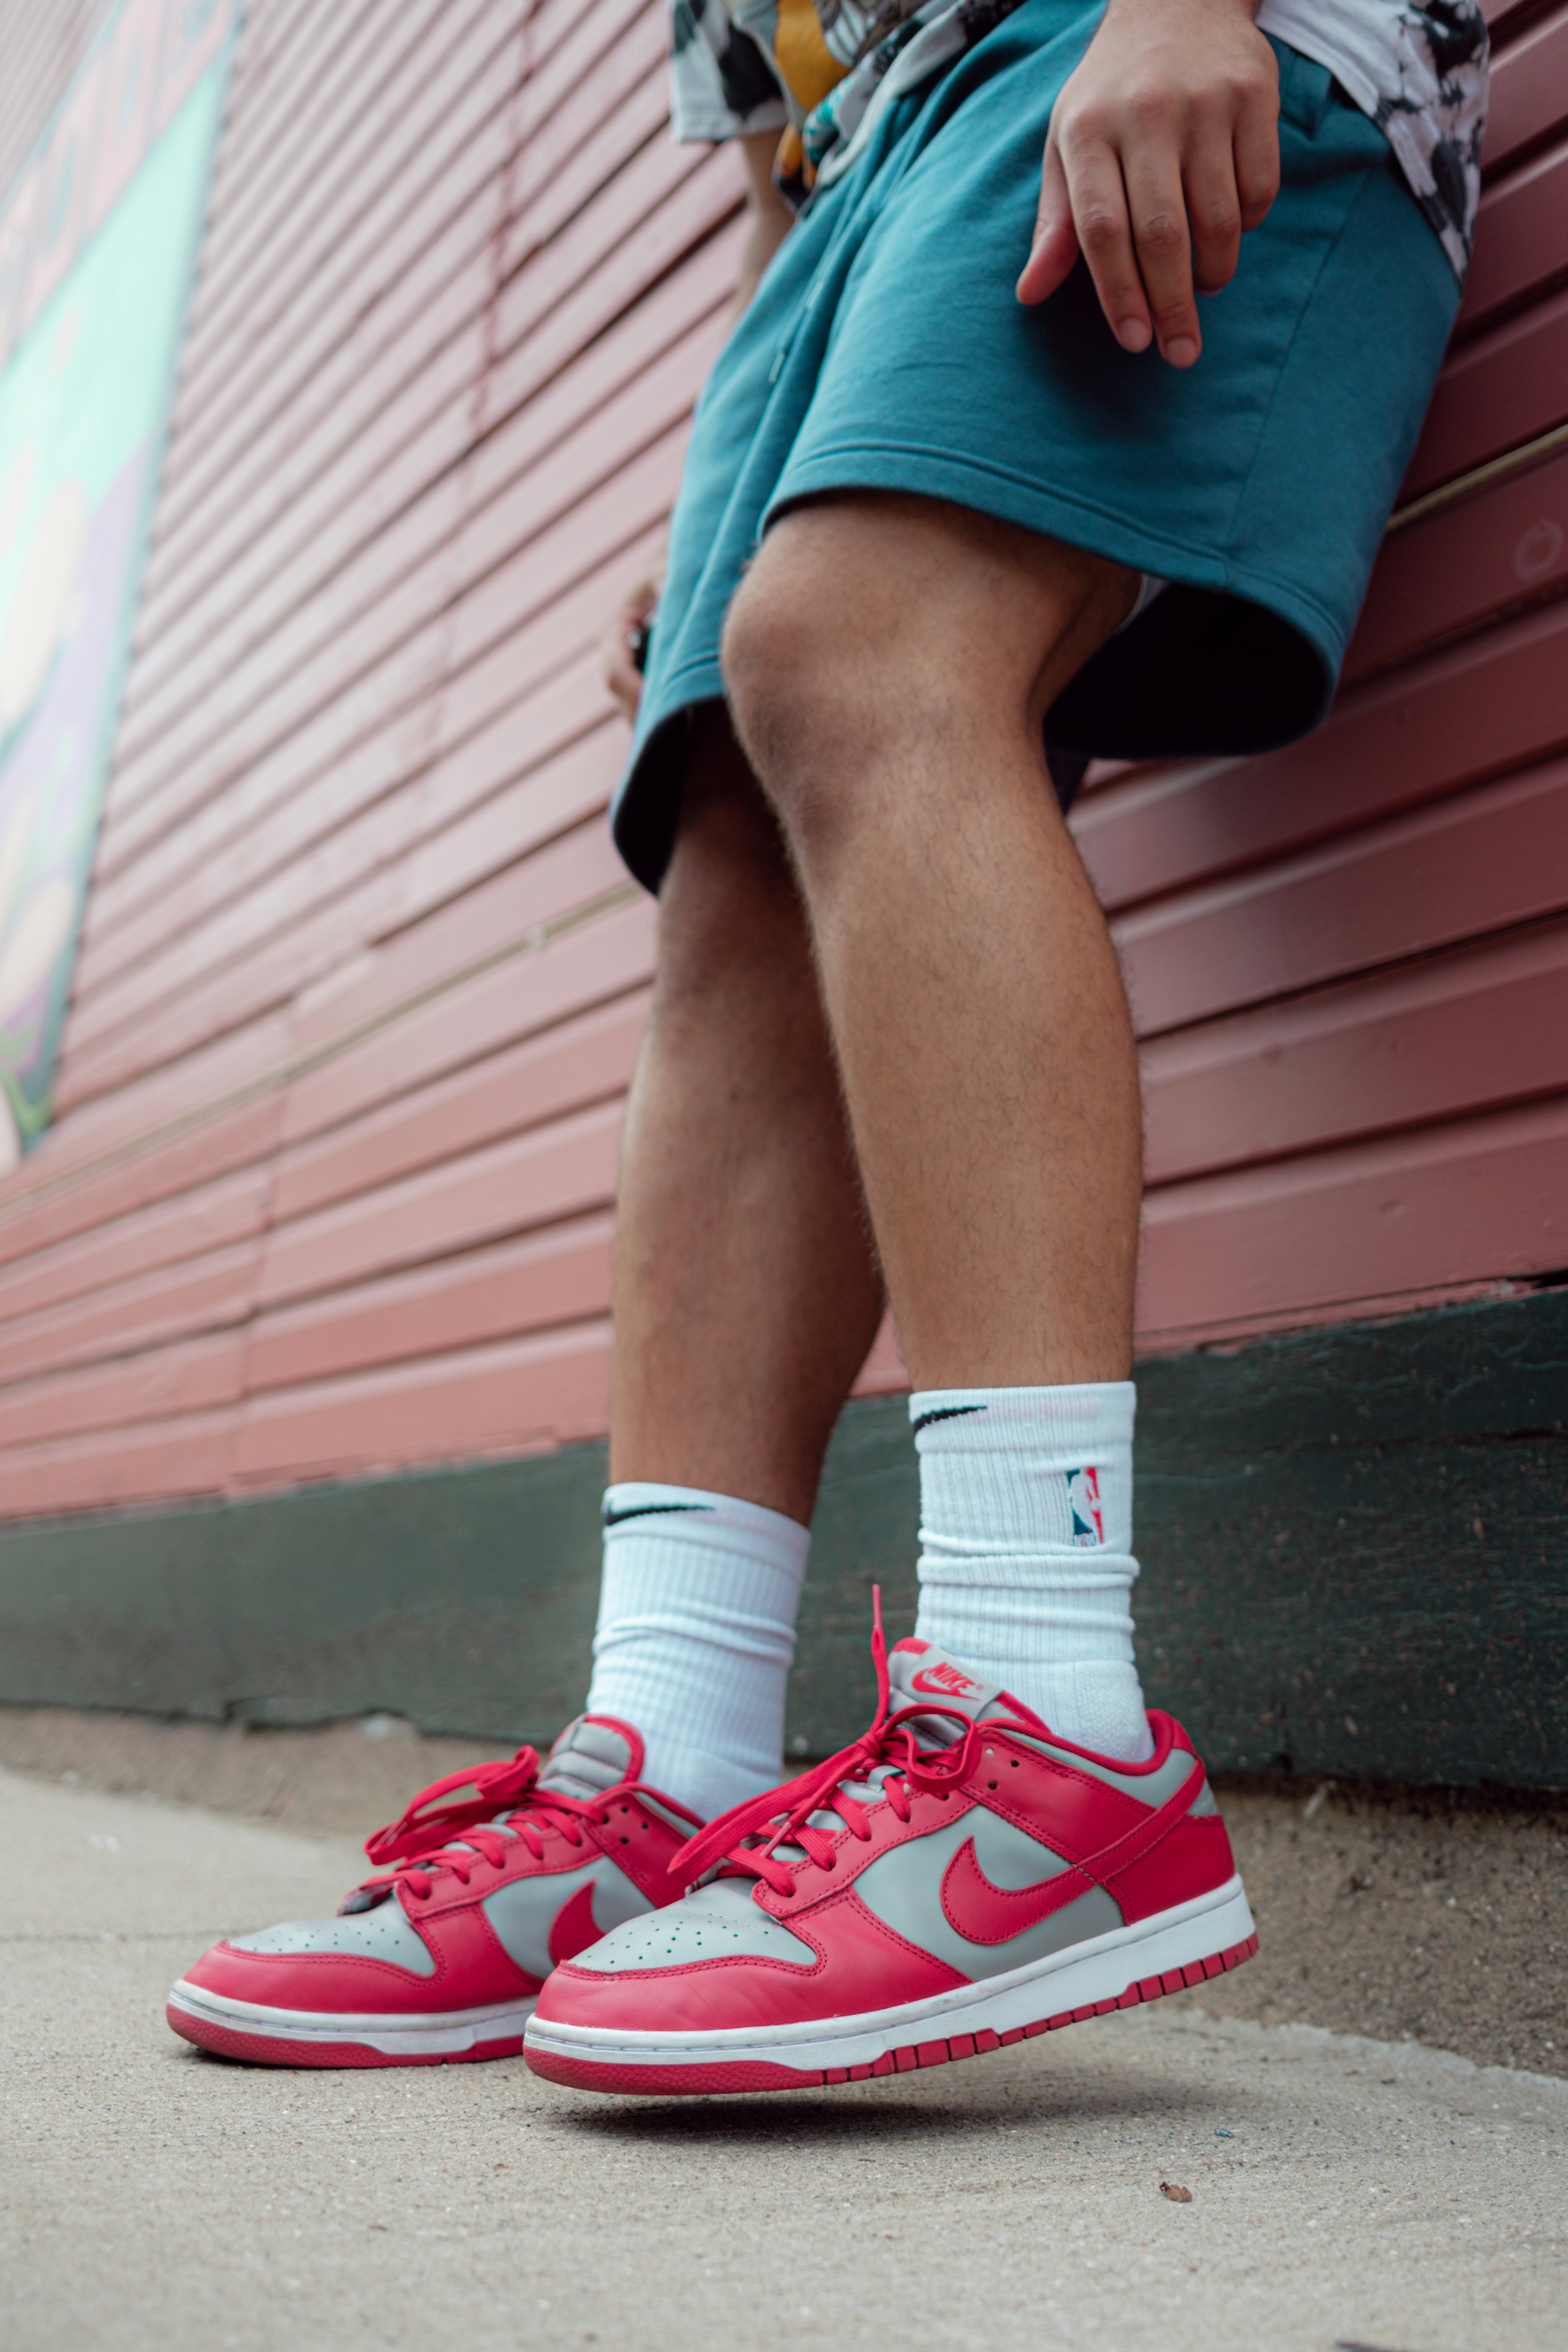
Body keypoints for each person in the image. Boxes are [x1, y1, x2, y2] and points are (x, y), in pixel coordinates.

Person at [167, 0, 1486, 2082]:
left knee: (858, 651)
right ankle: (666, 1767)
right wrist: (761, 427)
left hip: (1123, 40)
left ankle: (1048, 1720)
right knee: (730, 850)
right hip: (873, 167)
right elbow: (773, 123)